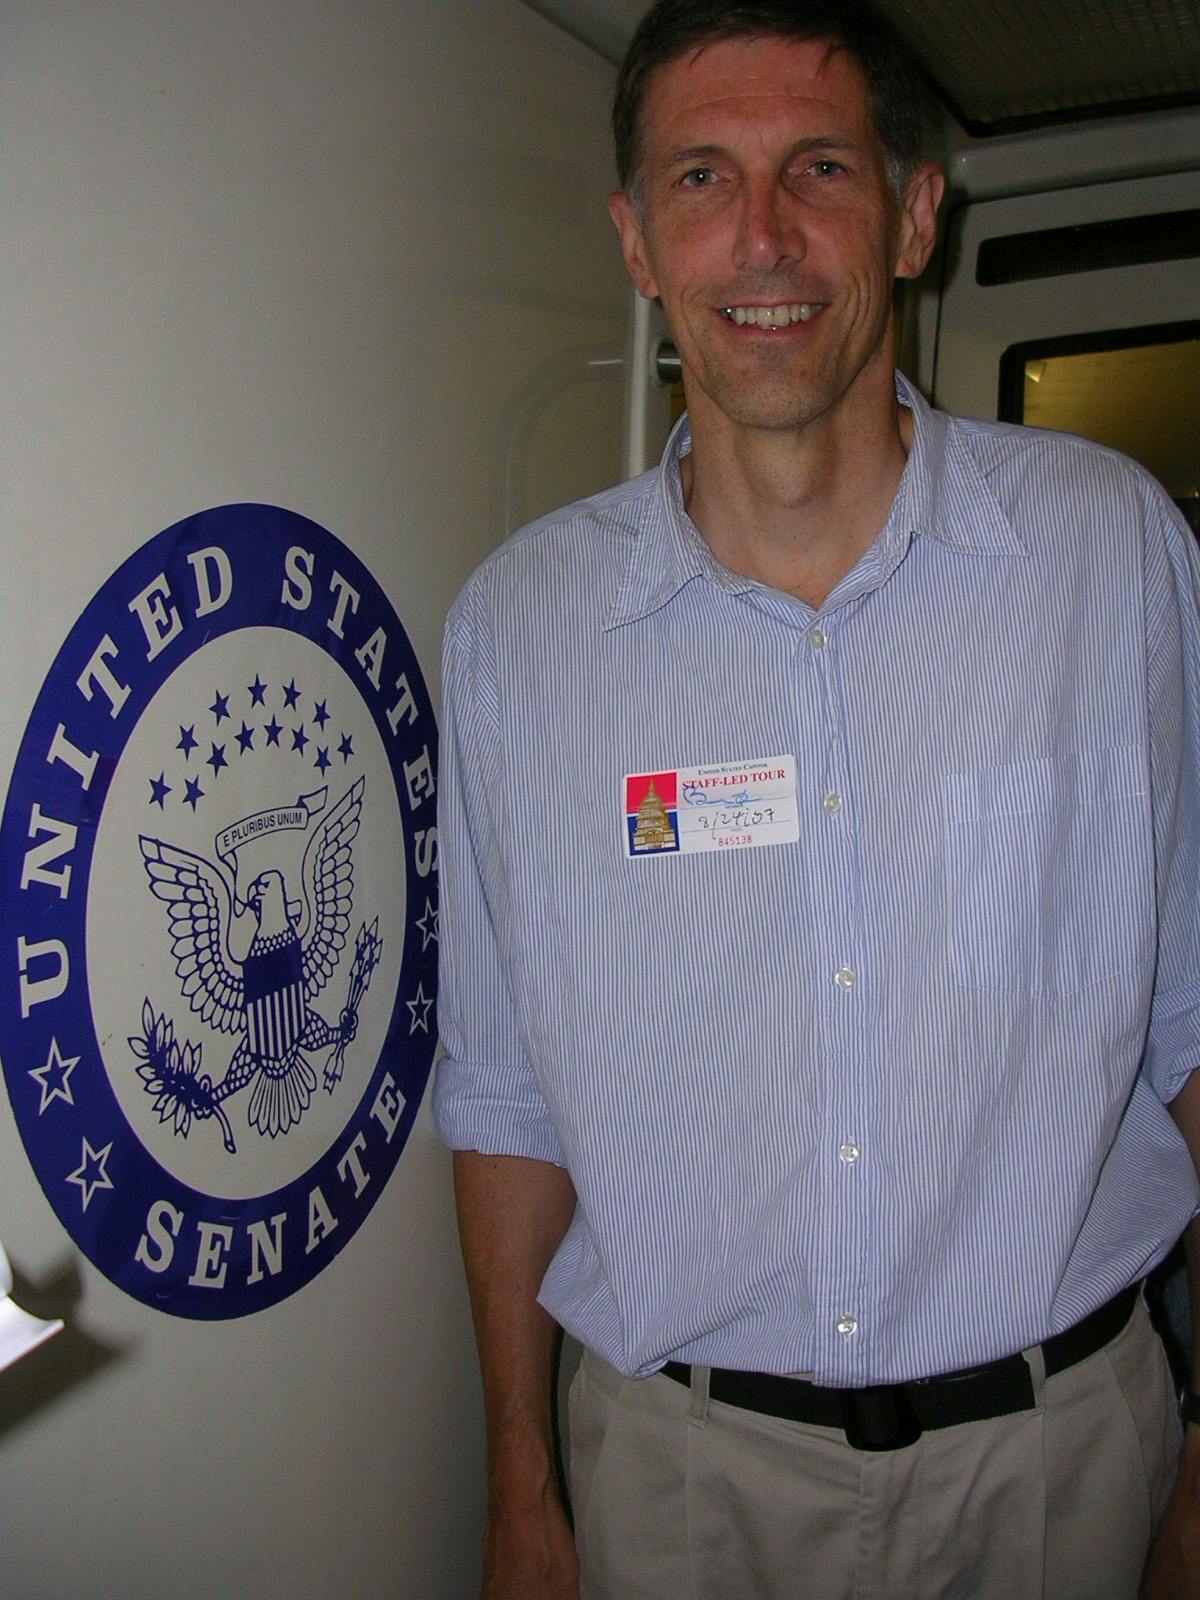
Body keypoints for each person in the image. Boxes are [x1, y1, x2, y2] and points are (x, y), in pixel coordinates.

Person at [433, 2, 1200, 1594]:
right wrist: (517, 1478)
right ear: (638, 242)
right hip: (679, 1483)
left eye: (821, 169)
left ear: (914, 216)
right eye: (702, 179)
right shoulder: (521, 633)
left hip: (1056, 1468)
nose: (764, 236)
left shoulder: (1109, 557)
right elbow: (503, 1098)